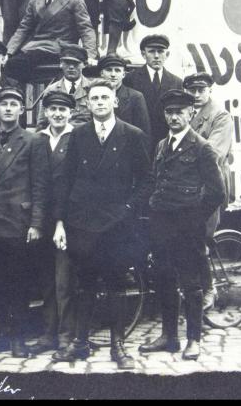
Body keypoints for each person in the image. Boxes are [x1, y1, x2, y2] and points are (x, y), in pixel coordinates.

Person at [51, 80, 152, 370]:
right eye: (94, 98)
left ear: (115, 102)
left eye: (105, 97)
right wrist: (60, 221)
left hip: (118, 225)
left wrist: (129, 208)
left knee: (117, 285)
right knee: (84, 284)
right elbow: (66, 181)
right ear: (87, 103)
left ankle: (117, 346)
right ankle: (80, 343)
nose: (99, 102)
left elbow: (146, 180)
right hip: (83, 224)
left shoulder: (132, 135)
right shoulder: (79, 135)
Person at [139, 90, 225, 361]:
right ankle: (169, 337)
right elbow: (156, 182)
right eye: (169, 112)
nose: (174, 117)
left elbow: (216, 192)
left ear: (190, 113)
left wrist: (195, 219)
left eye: (179, 111)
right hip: (162, 225)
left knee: (191, 283)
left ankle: (193, 340)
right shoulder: (162, 146)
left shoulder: (201, 147)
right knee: (164, 279)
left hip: (188, 228)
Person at [0, 87, 50, 358]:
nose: (8, 108)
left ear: (22, 110)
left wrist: (37, 223)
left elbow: (40, 186)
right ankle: (0, 333)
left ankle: (18, 336)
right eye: (3, 104)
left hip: (19, 221)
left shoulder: (33, 141)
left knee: (19, 282)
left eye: (14, 104)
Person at [28, 91, 77, 355]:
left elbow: (76, 184)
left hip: (68, 220)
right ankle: (48, 333)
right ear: (45, 112)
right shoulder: (38, 140)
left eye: (63, 109)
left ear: (71, 113)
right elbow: (35, 181)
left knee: (64, 280)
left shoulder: (77, 137)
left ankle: (66, 336)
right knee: (46, 279)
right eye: (53, 109)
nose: (58, 113)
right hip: (42, 219)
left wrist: (62, 222)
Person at [183, 72, 235, 310]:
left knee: (200, 238)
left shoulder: (220, 116)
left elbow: (213, 153)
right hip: (188, 184)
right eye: (192, 91)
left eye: (200, 90)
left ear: (210, 90)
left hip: (210, 186)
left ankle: (209, 290)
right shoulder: (187, 114)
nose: (196, 95)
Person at [4, 0, 98, 82]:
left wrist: (90, 55)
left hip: (60, 48)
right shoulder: (35, 1)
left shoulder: (74, 0)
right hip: (35, 47)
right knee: (8, 63)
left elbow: (86, 29)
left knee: (16, 65)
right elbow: (23, 29)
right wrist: (8, 52)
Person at [123, 34, 183, 155]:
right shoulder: (130, 79)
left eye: (160, 51)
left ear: (167, 54)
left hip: (166, 145)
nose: (156, 56)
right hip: (138, 143)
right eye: (151, 51)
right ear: (143, 54)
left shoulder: (177, 82)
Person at [37, 44, 93, 127]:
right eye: (67, 63)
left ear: (84, 65)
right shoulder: (51, 90)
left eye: (76, 63)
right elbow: (42, 124)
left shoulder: (92, 89)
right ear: (61, 64)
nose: (71, 67)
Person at [97, 54, 151, 137]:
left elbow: (143, 132)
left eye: (117, 70)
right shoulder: (94, 96)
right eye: (109, 70)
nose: (113, 74)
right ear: (101, 73)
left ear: (123, 74)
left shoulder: (135, 97)